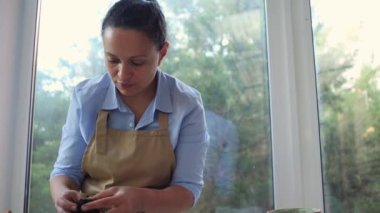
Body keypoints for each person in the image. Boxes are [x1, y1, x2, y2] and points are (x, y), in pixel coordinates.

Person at [49, 0, 209, 212]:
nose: (123, 74)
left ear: (162, 53)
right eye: (112, 60)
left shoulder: (186, 104)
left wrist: (140, 200)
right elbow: (65, 171)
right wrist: (62, 195)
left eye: (137, 62)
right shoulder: (86, 97)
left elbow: (187, 190)